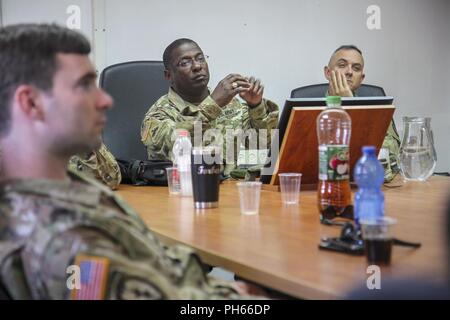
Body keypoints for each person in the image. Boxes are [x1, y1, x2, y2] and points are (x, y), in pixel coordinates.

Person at [0, 23, 259, 300]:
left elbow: (111, 176)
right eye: (84, 86)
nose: (105, 100)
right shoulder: (62, 239)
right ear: (31, 103)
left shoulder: (64, 188)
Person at [141, 38, 279, 177]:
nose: (197, 66)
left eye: (200, 58)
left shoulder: (231, 104)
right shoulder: (158, 115)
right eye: (185, 63)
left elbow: (263, 146)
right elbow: (177, 147)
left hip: (231, 191)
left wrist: (255, 106)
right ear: (168, 75)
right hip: (186, 192)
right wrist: (213, 104)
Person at [323, 45, 401, 182]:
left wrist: (350, 106)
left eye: (356, 68)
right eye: (342, 65)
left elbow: (391, 161)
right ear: (328, 73)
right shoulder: (302, 109)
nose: (349, 72)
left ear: (361, 78)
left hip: (365, 185)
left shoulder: (378, 111)